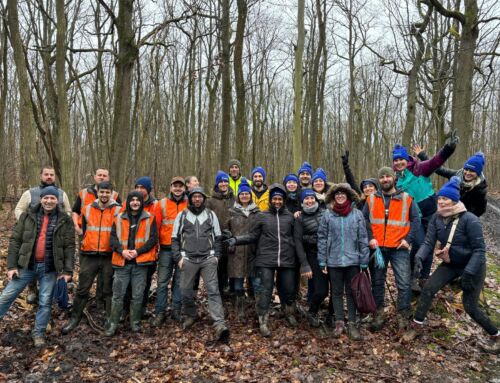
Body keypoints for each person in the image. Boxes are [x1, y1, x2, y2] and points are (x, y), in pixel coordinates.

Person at [412, 177, 499, 352]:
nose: (441, 202)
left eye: (445, 198)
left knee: (470, 306)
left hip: (473, 266)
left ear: (454, 199)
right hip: (451, 263)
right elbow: (429, 242)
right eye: (440, 198)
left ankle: (495, 334)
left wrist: (468, 273)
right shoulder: (437, 218)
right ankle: (417, 325)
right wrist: (419, 257)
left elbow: (480, 251)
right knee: (428, 288)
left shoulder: (470, 220)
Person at [226, 184, 312, 337]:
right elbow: (253, 236)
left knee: (289, 288)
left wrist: (304, 262)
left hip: (287, 258)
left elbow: (297, 239)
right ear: (271, 201)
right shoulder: (262, 216)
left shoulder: (291, 217)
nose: (277, 201)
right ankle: (263, 318)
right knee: (265, 288)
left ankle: (288, 311)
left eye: (280, 199)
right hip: (265, 258)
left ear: (283, 200)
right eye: (275, 199)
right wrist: (236, 240)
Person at [1, 186, 75, 347]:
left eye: (52, 198)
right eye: (46, 198)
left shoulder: (65, 219)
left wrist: (68, 270)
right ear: (41, 199)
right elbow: (15, 241)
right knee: (6, 297)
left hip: (49, 268)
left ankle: (39, 333)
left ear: (57, 200)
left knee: (45, 301)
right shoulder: (28, 215)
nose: (49, 201)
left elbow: (70, 246)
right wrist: (11, 266)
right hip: (25, 266)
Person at [392, 134, 457, 288]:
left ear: (407, 159)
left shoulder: (419, 168)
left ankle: (424, 277)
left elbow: (436, 161)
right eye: (396, 160)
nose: (399, 162)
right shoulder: (397, 182)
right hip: (415, 218)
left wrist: (449, 148)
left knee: (429, 245)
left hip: (432, 215)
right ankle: (411, 275)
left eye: (401, 159)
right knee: (419, 244)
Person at [362, 167, 419, 333]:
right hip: (378, 248)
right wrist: (370, 237)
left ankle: (403, 314)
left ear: (393, 178)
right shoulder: (371, 199)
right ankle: (378, 313)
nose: (385, 179)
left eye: (388, 176)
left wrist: (408, 240)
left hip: (399, 248)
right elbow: (364, 219)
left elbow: (416, 220)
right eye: (382, 177)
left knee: (403, 282)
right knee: (377, 282)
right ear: (379, 180)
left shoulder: (406, 198)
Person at [62, 182, 121, 334]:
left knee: (108, 290)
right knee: (83, 288)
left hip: (109, 255)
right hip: (89, 255)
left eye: (107, 192)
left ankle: (109, 319)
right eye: (102, 192)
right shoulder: (87, 209)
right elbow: (82, 228)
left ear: (112, 193)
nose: (104, 195)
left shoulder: (118, 210)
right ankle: (74, 318)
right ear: (97, 192)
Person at [172, 187, 230, 341]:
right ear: (190, 198)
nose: (197, 199)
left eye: (200, 197)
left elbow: (218, 237)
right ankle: (191, 314)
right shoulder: (182, 215)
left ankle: (219, 323)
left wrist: (216, 256)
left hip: (207, 259)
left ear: (204, 199)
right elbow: (175, 238)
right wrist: (178, 257)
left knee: (213, 290)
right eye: (194, 197)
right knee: (185, 290)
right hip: (188, 259)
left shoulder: (211, 215)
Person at [317, 184, 369, 340]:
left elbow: (363, 237)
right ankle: (339, 322)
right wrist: (322, 260)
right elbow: (322, 238)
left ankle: (352, 323)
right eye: (337, 194)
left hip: (353, 260)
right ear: (333, 197)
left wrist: (363, 259)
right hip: (333, 261)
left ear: (348, 196)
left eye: (343, 194)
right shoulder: (327, 215)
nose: (340, 196)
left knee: (352, 292)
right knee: (337, 292)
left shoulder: (357, 214)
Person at [14, 166, 73, 305]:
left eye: (51, 174)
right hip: (32, 234)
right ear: (41, 175)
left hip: (55, 233)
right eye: (46, 174)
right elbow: (19, 208)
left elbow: (68, 210)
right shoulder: (30, 193)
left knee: (51, 261)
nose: (49, 177)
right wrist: (26, 224)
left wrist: (64, 225)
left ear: (54, 177)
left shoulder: (62, 193)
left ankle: (52, 292)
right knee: (31, 260)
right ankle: (33, 290)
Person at [106, 191, 158, 336]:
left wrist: (138, 251)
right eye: (132, 200)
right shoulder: (118, 218)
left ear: (142, 202)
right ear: (128, 202)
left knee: (138, 295)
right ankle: (112, 324)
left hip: (140, 263)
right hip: (122, 263)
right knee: (118, 295)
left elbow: (153, 239)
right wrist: (122, 251)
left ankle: (135, 323)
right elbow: (112, 240)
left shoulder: (150, 218)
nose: (135, 203)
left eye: (138, 200)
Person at [153, 177, 188, 326]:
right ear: (170, 187)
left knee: (180, 282)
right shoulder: (161, 204)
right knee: (162, 282)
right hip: (166, 249)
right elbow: (155, 228)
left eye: (180, 186)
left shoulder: (190, 203)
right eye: (175, 186)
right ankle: (160, 312)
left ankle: (176, 310)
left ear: (184, 188)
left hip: (183, 250)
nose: (178, 189)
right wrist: (155, 249)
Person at [294, 188, 332, 328]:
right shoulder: (300, 218)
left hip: (331, 255)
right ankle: (312, 312)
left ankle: (331, 316)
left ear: (316, 200)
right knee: (322, 290)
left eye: (312, 198)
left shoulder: (326, 213)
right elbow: (298, 241)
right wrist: (304, 264)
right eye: (306, 199)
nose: (310, 201)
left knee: (336, 289)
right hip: (313, 256)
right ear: (302, 202)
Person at [226, 178, 261, 318]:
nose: (244, 196)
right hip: (237, 253)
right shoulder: (231, 212)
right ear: (238, 196)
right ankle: (239, 308)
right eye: (242, 194)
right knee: (238, 285)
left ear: (250, 195)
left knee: (256, 283)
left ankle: (259, 310)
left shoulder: (257, 213)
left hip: (253, 252)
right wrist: (229, 240)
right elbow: (225, 230)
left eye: (247, 194)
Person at [417, 150, 488, 217]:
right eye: (466, 169)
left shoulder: (480, 189)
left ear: (478, 173)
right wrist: (423, 156)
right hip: (445, 211)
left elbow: (479, 211)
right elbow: (439, 169)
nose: (468, 173)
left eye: (472, 171)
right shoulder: (456, 175)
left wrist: (461, 217)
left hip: (463, 218)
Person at [131, 176, 161, 314]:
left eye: (142, 187)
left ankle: (141, 308)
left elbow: (159, 228)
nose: (139, 190)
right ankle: (128, 309)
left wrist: (157, 247)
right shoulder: (131, 202)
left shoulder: (156, 205)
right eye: (137, 187)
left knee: (146, 281)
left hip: (149, 250)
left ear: (148, 189)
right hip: (131, 250)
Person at [207, 171, 235, 296]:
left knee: (232, 265)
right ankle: (220, 290)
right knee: (220, 265)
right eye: (221, 182)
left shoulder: (234, 198)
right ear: (217, 184)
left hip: (233, 236)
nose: (223, 184)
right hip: (217, 238)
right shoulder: (211, 201)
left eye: (225, 181)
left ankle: (233, 289)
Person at [72, 168, 121, 236]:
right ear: (95, 177)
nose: (102, 177)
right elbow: (75, 211)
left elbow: (120, 216)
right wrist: (77, 228)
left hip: (107, 235)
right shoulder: (83, 193)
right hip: (85, 233)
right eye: (99, 175)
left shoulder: (115, 195)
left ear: (108, 178)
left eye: (104, 176)